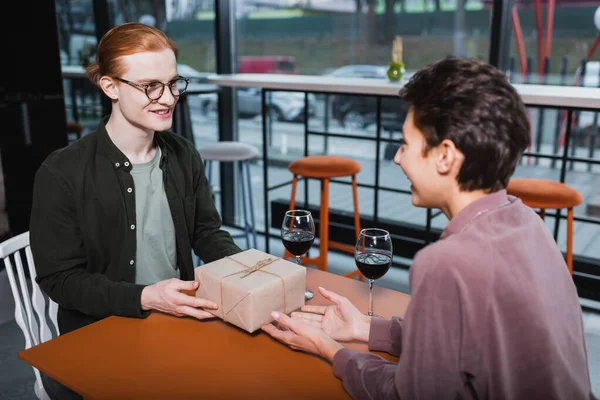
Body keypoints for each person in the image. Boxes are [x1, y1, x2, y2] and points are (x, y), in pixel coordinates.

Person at [262, 57, 597, 400]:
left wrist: (329, 348)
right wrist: (365, 327)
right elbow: (465, 341)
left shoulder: (447, 262)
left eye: (406, 143)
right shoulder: (529, 223)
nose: (397, 157)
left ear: (445, 156)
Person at [30, 22, 242, 399]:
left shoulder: (183, 154)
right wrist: (146, 297)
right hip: (100, 339)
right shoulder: (61, 172)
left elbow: (207, 233)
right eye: (150, 86)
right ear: (110, 87)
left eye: (174, 82)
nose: (168, 97)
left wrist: (251, 272)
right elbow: (59, 280)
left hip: (176, 324)